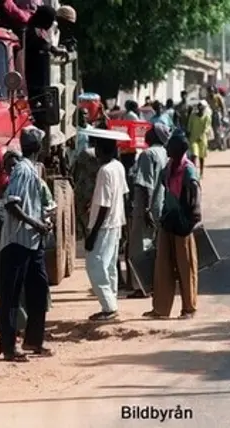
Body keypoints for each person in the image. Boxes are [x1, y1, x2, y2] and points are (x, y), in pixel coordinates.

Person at [0, 127, 53, 362]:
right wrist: (36, 223)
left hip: (33, 242)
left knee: (39, 290)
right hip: (17, 242)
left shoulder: (34, 170)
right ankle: (9, 346)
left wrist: (42, 223)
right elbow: (12, 204)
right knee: (10, 296)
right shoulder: (22, 170)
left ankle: (34, 339)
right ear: (39, 147)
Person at [143, 131, 201, 320]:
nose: (166, 148)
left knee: (186, 267)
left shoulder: (188, 170)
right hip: (168, 220)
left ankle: (188, 308)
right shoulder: (168, 168)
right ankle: (160, 308)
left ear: (178, 149)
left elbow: (195, 198)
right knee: (163, 267)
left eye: (170, 146)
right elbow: (162, 189)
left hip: (183, 223)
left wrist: (191, 222)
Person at [84, 129, 130, 321]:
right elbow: (124, 195)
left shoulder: (105, 171)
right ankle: (111, 303)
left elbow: (104, 205)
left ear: (102, 150)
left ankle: (108, 307)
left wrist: (93, 233)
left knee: (95, 265)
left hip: (103, 226)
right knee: (109, 265)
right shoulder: (118, 166)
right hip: (116, 223)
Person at [127, 123, 170, 299]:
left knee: (140, 246)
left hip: (147, 208)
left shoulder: (148, 154)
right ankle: (152, 283)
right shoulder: (164, 154)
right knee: (153, 246)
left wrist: (145, 210)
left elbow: (146, 185)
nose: (146, 133)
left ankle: (142, 286)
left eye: (150, 131)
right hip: (160, 206)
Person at [25, 5, 68, 129]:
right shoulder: (30, 33)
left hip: (40, 86)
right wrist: (53, 49)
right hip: (32, 86)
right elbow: (41, 45)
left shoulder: (39, 30)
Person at [187, 100, 210, 178]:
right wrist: (188, 134)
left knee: (201, 157)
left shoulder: (207, 117)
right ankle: (194, 172)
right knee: (194, 155)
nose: (200, 109)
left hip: (202, 139)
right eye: (199, 107)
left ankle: (201, 172)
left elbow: (207, 128)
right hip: (193, 139)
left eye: (202, 108)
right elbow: (189, 126)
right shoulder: (193, 116)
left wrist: (202, 134)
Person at [206, 85, 226, 149]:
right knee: (211, 130)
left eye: (212, 91)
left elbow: (222, 106)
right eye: (209, 91)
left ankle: (220, 144)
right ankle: (214, 144)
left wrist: (223, 115)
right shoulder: (207, 98)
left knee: (218, 130)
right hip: (209, 115)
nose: (211, 92)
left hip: (216, 114)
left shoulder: (218, 97)